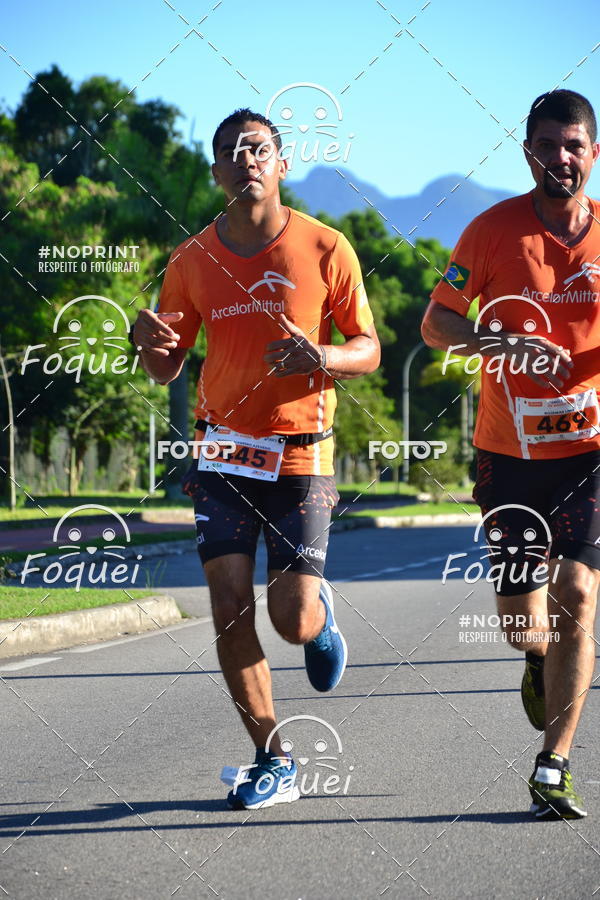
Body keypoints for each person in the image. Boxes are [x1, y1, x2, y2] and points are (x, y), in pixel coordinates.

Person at [131, 107, 380, 809]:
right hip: (221, 455)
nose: (246, 161)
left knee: (289, 620)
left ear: (280, 164)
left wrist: (323, 355)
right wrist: (146, 342)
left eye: (259, 150)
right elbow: (165, 368)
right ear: (216, 172)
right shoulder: (190, 260)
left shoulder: (327, 247)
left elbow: (368, 348)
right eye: (232, 154)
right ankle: (274, 758)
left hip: (301, 456)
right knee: (228, 606)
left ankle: (319, 617)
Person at [422, 89, 600, 820]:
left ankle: (553, 765)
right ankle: (536, 659)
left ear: (593, 153)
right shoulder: (489, 234)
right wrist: (498, 342)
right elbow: (437, 323)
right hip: (510, 451)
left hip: (592, 449)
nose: (562, 157)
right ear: (527, 152)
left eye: (575, 145)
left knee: (580, 594)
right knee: (523, 622)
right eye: (549, 145)